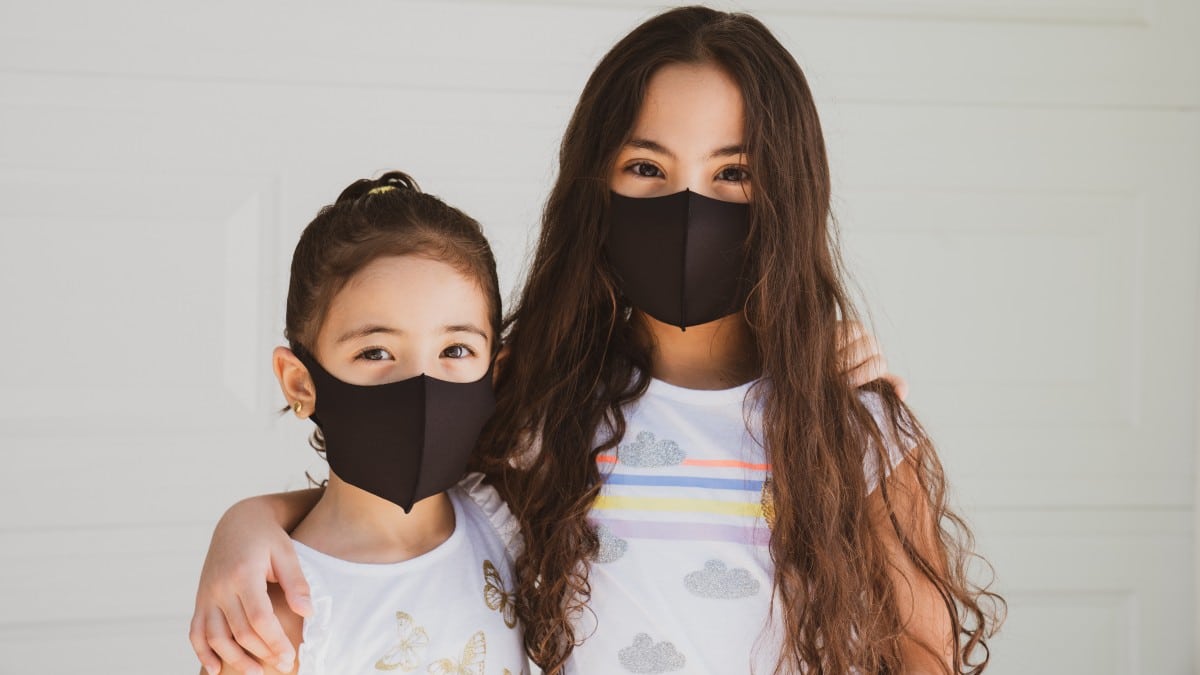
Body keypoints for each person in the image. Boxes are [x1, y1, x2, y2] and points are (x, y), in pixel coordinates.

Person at [193, 7, 1001, 675]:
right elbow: (390, 494)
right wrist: (248, 522)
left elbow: (925, 658)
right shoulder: (539, 406)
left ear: (786, 195)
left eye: (733, 173)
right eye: (647, 166)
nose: (689, 205)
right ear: (596, 184)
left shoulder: (847, 432)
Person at [210, 171, 528, 675]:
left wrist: (246, 517)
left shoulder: (504, 521)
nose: (421, 383)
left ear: (496, 373)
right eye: (376, 351)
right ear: (299, 383)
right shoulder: (278, 618)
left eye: (455, 349)